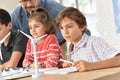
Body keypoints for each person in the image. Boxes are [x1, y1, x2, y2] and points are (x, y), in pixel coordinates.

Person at [56, 7, 120, 72]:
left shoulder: (94, 42)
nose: (65, 32)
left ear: (82, 27)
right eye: (61, 28)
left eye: (69, 26)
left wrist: (91, 65)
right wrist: (70, 66)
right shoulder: (70, 49)